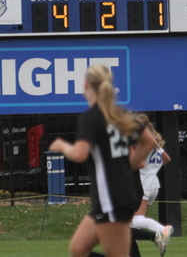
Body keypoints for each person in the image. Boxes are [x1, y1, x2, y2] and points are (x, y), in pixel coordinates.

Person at [49, 64, 155, 257]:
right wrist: (126, 165)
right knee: (78, 249)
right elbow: (149, 141)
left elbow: (80, 154)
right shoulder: (118, 114)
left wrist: (62, 146)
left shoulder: (92, 117)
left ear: (86, 84)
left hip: (112, 198)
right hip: (117, 196)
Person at [130, 114, 173, 256]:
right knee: (132, 223)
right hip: (154, 183)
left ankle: (162, 231)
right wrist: (154, 168)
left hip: (144, 183)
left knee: (136, 221)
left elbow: (137, 162)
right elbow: (166, 159)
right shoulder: (154, 142)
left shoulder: (142, 143)